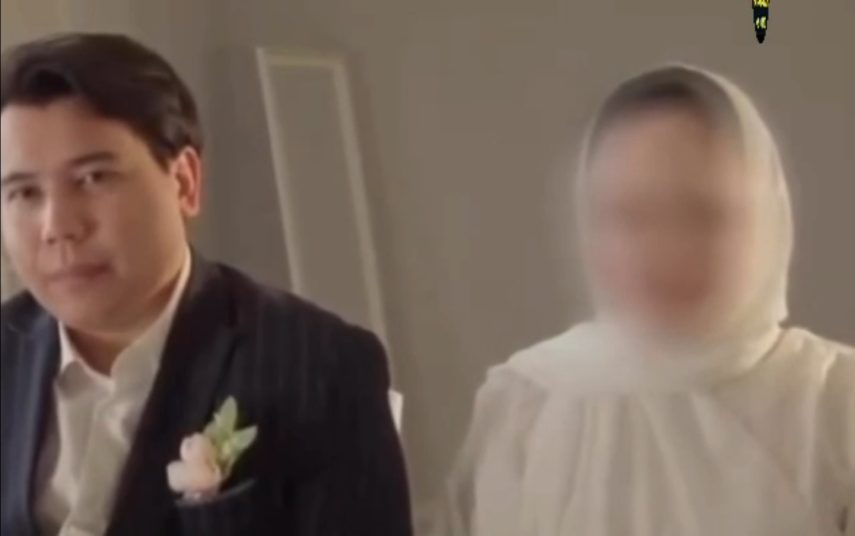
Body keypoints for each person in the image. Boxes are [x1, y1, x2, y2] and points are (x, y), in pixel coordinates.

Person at [0, 33, 412, 536]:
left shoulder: (320, 368)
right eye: (24, 193)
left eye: (93, 179)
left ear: (184, 182)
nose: (58, 227)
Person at [436, 65, 854, 535]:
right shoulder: (523, 403)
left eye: (701, 212)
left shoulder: (835, 404)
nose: (665, 248)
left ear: (765, 220)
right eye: (631, 216)